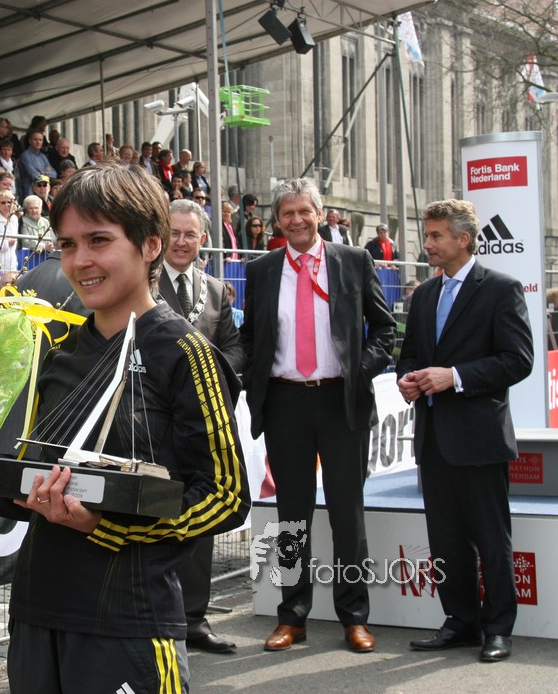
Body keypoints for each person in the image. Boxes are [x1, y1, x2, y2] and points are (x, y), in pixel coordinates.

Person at [0, 162, 248, 693]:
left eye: (99, 240)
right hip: (38, 616)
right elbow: (34, 487)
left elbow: (224, 496)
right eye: (68, 245)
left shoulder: (185, 352)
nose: (80, 261)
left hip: (129, 621)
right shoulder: (60, 352)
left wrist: (104, 528)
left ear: (150, 245)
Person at [240, 177, 395, 654]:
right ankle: (293, 616)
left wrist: (360, 370)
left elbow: (385, 330)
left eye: (304, 211)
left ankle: (354, 617)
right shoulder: (263, 269)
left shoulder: (353, 260)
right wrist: (252, 379)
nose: (297, 220)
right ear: (276, 221)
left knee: (347, 513)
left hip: (340, 401)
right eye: (287, 213)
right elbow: (251, 339)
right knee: (292, 517)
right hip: (285, 403)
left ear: (320, 214)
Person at [396, 199, 533, 664]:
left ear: (463, 239)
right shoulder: (423, 296)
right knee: (446, 540)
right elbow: (410, 354)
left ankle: (498, 629)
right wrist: (408, 379)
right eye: (427, 235)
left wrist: (453, 376)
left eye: (436, 236)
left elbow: (518, 360)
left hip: (479, 439)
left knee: (491, 540)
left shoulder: (500, 289)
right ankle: (459, 621)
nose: (427, 244)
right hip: (433, 437)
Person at [159, 198, 245, 654]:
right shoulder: (142, 281)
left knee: (199, 521)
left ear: (203, 240)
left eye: (189, 234)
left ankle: (194, 619)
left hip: (202, 426)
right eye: (174, 232)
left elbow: (234, 347)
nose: (181, 241)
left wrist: (208, 378)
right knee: (155, 518)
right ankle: (158, 618)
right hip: (153, 423)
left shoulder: (214, 289)